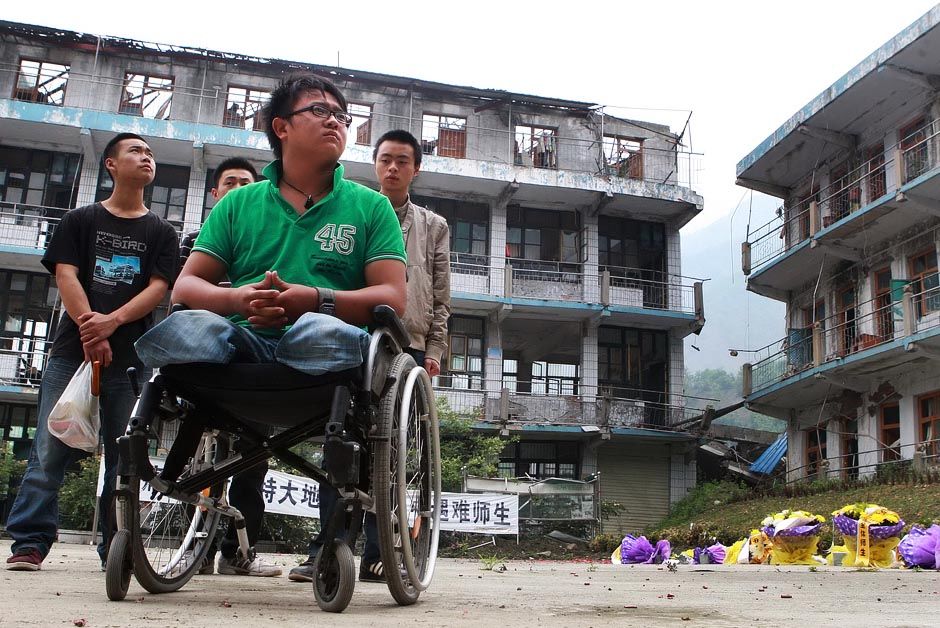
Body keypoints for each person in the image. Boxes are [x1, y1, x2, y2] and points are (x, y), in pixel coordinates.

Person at [132, 75, 406, 576]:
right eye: (321, 111)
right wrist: (239, 297)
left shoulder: (371, 207)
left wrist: (315, 300)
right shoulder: (239, 204)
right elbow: (187, 287)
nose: (336, 121)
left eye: (342, 116)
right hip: (241, 348)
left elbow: (392, 298)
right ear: (281, 127)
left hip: (324, 357)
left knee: (315, 332)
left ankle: (303, 327)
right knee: (198, 325)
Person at [6, 133, 179, 571]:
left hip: (131, 358)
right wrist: (90, 329)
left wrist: (112, 322)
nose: (147, 158)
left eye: (150, 154)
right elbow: (66, 274)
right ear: (110, 165)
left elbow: (159, 288)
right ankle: (29, 542)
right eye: (136, 151)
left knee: (124, 458)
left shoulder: (161, 231)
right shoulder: (80, 220)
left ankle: (115, 549)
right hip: (72, 352)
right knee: (49, 449)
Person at [289, 129, 451, 584]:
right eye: (386, 159)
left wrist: (434, 350)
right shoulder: (356, 210)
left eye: (403, 160)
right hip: (357, 332)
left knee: (392, 448)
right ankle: (327, 546)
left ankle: (382, 551)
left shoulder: (434, 226)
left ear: (415, 169)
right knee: (340, 437)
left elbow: (440, 296)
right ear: (375, 164)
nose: (393, 167)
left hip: (409, 340)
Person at [178, 157, 281, 577]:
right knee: (197, 463)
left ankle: (238, 552)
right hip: (206, 355)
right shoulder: (193, 242)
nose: (238, 188)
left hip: (253, 352)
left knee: (252, 461)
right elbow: (182, 295)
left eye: (247, 183)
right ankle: (193, 550)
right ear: (215, 193)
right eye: (230, 182)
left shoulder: (269, 239)